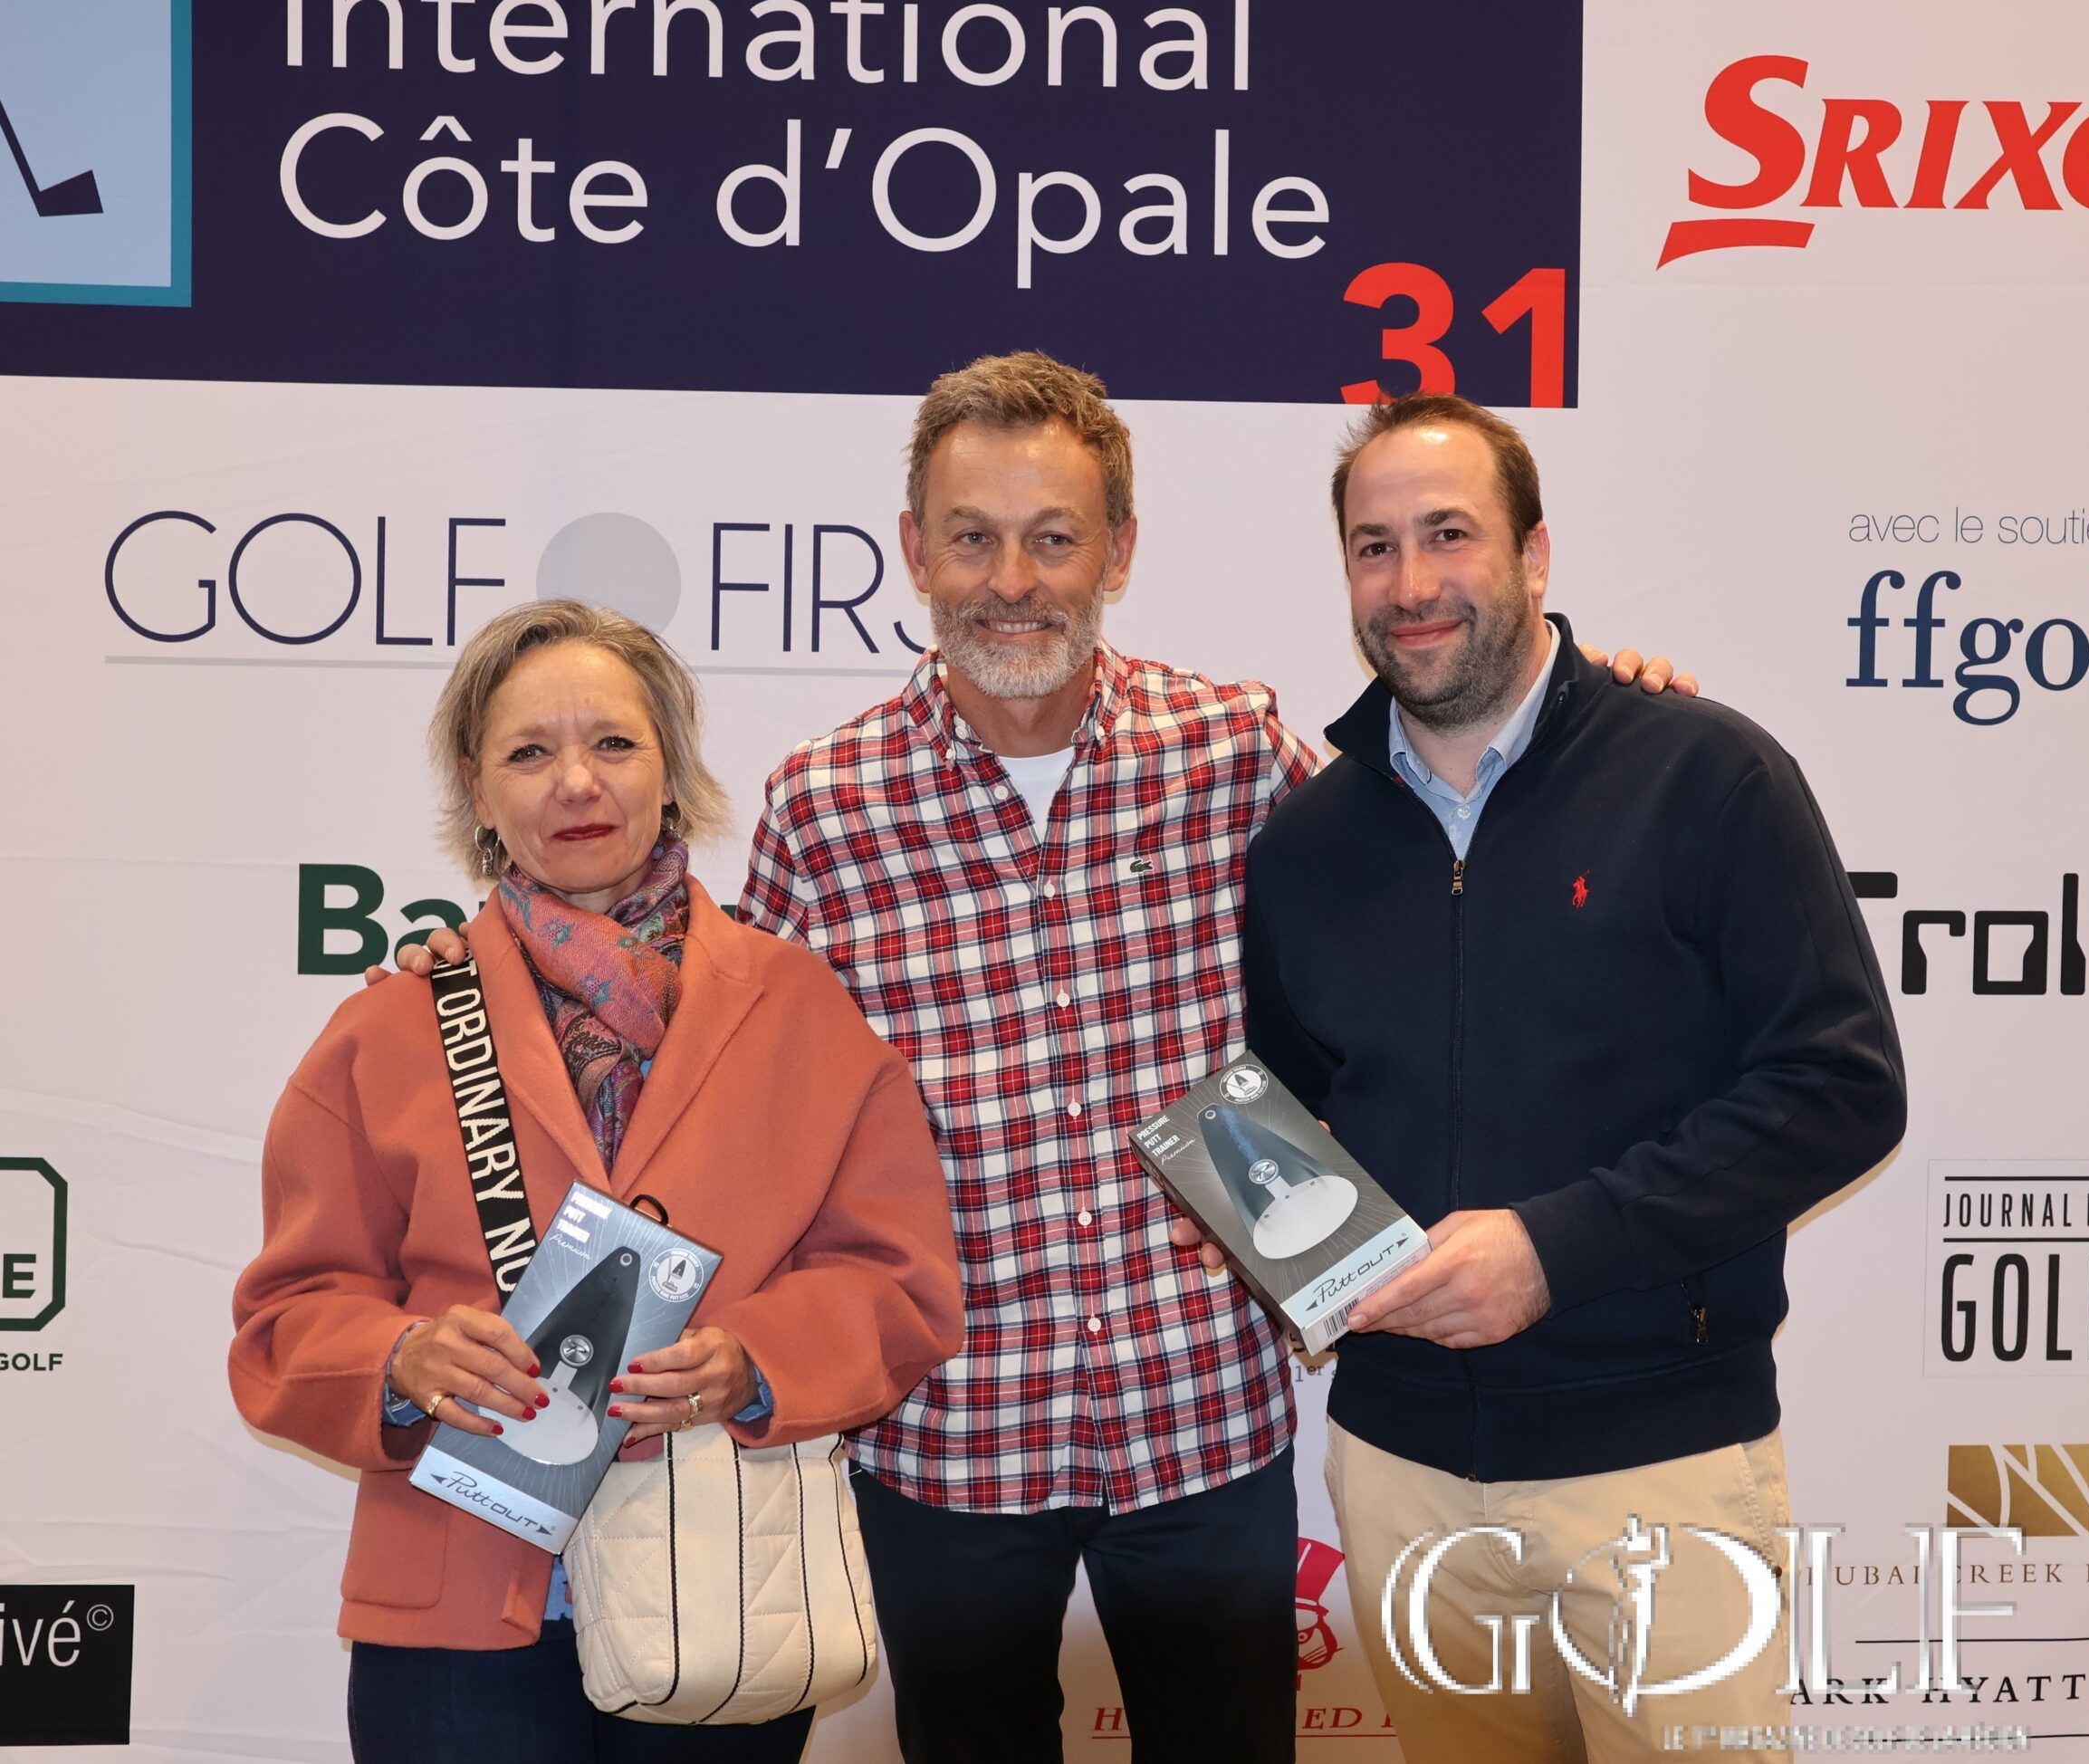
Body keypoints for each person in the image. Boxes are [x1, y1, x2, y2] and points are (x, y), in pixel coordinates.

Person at [391, 353, 1692, 1763]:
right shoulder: (826, 808)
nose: (1011, 581)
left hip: (1200, 1417)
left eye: (1054, 537)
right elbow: (707, 1070)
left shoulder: (1235, 751)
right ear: (915, 552)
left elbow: (1443, 871)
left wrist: (1589, 726)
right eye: (973, 537)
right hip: (946, 1440)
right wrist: (489, 974)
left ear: (1118, 550)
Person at [1236, 394, 1907, 1764]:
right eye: (1374, 547)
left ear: (1534, 554)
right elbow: (1294, 1111)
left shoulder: (1706, 775)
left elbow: (1842, 1086)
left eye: (1449, 535)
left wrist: (1557, 1248)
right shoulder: (1305, 844)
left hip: (1660, 1470)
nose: (1412, 585)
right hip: (1403, 1479)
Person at [231, 599, 963, 1764]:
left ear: (670, 770)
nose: (576, 781)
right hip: (456, 1604)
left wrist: (756, 1360)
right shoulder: (392, 1026)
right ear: (477, 791)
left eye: (614, 743)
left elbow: (899, 1281)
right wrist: (400, 1359)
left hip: (719, 1594)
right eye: (529, 752)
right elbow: (287, 1316)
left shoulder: (798, 1008)